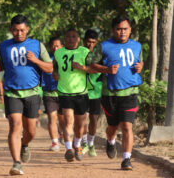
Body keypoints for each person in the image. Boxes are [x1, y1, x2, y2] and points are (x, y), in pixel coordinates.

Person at [0, 14, 53, 175]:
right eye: (16, 30)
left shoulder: (37, 45)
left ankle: (25, 145)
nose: (19, 33)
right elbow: (0, 69)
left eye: (22, 30)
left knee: (30, 131)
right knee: (15, 126)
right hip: (12, 92)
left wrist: (36, 61)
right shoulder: (4, 46)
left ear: (28, 30)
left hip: (32, 92)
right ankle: (17, 163)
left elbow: (50, 68)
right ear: (11, 30)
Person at [91, 15, 144, 170]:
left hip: (130, 92)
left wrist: (140, 67)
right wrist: (106, 69)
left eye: (125, 29)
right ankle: (110, 140)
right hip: (110, 94)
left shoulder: (137, 46)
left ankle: (126, 159)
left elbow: (139, 62)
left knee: (127, 126)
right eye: (119, 29)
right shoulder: (104, 46)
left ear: (130, 30)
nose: (122, 32)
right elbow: (91, 64)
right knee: (112, 127)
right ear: (113, 30)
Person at [53, 29, 93, 162]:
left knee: (80, 125)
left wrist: (82, 68)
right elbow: (54, 68)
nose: (71, 39)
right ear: (64, 39)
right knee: (68, 120)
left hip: (81, 92)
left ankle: (77, 144)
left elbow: (93, 69)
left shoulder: (84, 52)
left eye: (74, 37)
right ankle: (68, 149)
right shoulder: (58, 52)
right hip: (65, 92)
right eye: (68, 37)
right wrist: (54, 74)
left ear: (79, 39)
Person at [71, 29, 102, 157]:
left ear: (97, 42)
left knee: (93, 119)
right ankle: (83, 143)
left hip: (96, 91)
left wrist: (84, 68)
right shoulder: (78, 53)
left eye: (93, 42)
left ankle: (91, 143)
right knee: (82, 119)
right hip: (80, 90)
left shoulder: (100, 55)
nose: (90, 45)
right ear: (84, 41)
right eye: (88, 42)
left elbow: (99, 69)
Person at [41, 36, 64, 151]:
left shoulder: (65, 58)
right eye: (53, 46)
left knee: (63, 118)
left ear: (62, 47)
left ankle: (63, 133)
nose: (55, 48)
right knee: (52, 117)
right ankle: (55, 142)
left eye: (57, 46)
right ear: (49, 47)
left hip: (63, 93)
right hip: (49, 93)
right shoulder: (46, 59)